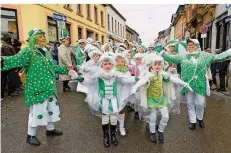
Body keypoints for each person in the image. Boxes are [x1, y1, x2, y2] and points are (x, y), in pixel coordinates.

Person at [1, 28, 75, 146]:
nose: (43, 38)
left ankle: (50, 130)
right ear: (33, 39)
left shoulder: (46, 52)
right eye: (40, 36)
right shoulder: (29, 51)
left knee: (51, 109)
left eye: (43, 36)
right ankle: (30, 135)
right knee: (37, 112)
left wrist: (66, 69)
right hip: (37, 88)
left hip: (49, 87)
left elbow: (52, 67)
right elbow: (14, 60)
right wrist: (1, 60)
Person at [161, 38, 231, 130]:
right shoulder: (184, 56)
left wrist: (229, 52)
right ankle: (192, 121)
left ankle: (200, 118)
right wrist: (162, 52)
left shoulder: (205, 56)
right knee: (190, 103)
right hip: (188, 84)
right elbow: (171, 58)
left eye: (191, 45)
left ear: (197, 46)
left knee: (200, 103)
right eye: (188, 46)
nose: (189, 47)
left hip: (200, 84)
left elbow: (218, 57)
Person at [70, 54, 138, 148]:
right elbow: (89, 81)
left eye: (109, 63)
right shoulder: (98, 75)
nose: (107, 66)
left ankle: (113, 136)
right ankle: (106, 137)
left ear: (112, 65)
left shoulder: (116, 74)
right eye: (105, 64)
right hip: (104, 100)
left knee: (114, 118)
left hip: (114, 100)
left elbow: (125, 81)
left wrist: (135, 78)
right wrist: (80, 78)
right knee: (105, 118)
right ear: (102, 65)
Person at [132, 55, 192, 143]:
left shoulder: (163, 74)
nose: (157, 66)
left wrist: (185, 84)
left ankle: (160, 131)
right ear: (151, 65)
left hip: (161, 99)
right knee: (153, 117)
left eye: (159, 64)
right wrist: (135, 87)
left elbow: (174, 79)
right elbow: (142, 81)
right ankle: (152, 133)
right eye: (155, 64)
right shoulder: (148, 75)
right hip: (151, 99)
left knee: (165, 116)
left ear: (162, 65)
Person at [1, 33, 18, 99]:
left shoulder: (7, 45)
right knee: (10, 79)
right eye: (11, 38)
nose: (12, 40)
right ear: (8, 39)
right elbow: (9, 56)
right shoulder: (6, 46)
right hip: (8, 65)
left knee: (6, 79)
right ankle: (10, 92)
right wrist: (14, 65)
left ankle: (7, 92)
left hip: (7, 65)